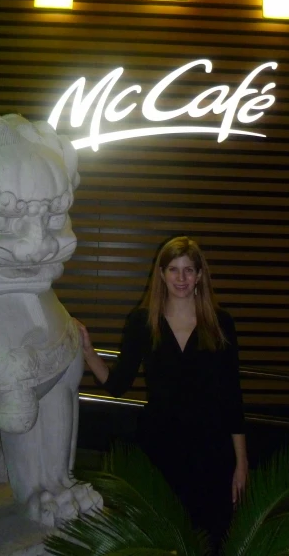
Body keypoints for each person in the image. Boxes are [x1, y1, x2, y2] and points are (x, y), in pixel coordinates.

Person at [77, 236, 248, 553]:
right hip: (161, 447)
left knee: (212, 536)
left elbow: (231, 396)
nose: (181, 279)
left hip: (213, 450)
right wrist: (88, 353)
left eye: (188, 270)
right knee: (159, 539)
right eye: (174, 270)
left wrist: (241, 461)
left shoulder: (220, 323)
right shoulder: (142, 322)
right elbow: (118, 385)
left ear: (199, 275)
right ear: (161, 274)